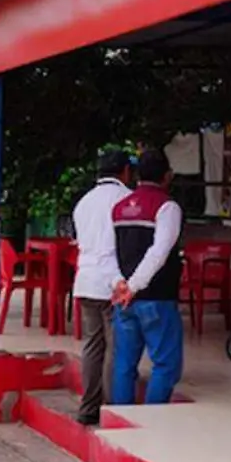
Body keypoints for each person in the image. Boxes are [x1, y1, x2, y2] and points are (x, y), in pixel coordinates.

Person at [110, 149, 184, 406]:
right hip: (157, 297)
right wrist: (134, 286)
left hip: (125, 298)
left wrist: (120, 285)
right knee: (166, 364)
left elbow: (111, 252)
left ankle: (122, 419)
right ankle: (153, 421)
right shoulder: (167, 207)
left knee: (124, 364)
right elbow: (159, 252)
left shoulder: (119, 209)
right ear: (168, 176)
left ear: (136, 175)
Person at [70, 150, 133, 426]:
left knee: (93, 345)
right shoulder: (126, 199)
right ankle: (111, 410)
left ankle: (88, 408)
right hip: (113, 282)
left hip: (85, 280)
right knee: (115, 348)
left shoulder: (83, 203)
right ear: (125, 171)